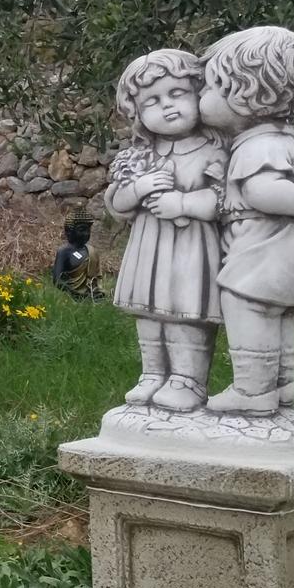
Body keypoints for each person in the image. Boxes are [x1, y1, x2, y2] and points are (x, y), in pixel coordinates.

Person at [199, 26, 294, 415]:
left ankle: (252, 391)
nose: (202, 96)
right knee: (281, 317)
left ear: (247, 94)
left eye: (211, 86)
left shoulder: (257, 145)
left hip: (272, 248)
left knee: (247, 307)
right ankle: (283, 384)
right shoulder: (292, 142)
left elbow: (262, 192)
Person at [105, 49, 225, 411]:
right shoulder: (138, 156)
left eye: (177, 93)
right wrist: (139, 188)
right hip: (149, 249)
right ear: (137, 114)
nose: (168, 106)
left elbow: (225, 200)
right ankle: (153, 374)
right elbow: (117, 204)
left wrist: (184, 204)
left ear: (197, 93)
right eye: (152, 101)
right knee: (150, 314)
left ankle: (188, 380)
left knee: (184, 313)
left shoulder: (215, 152)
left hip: (192, 250)